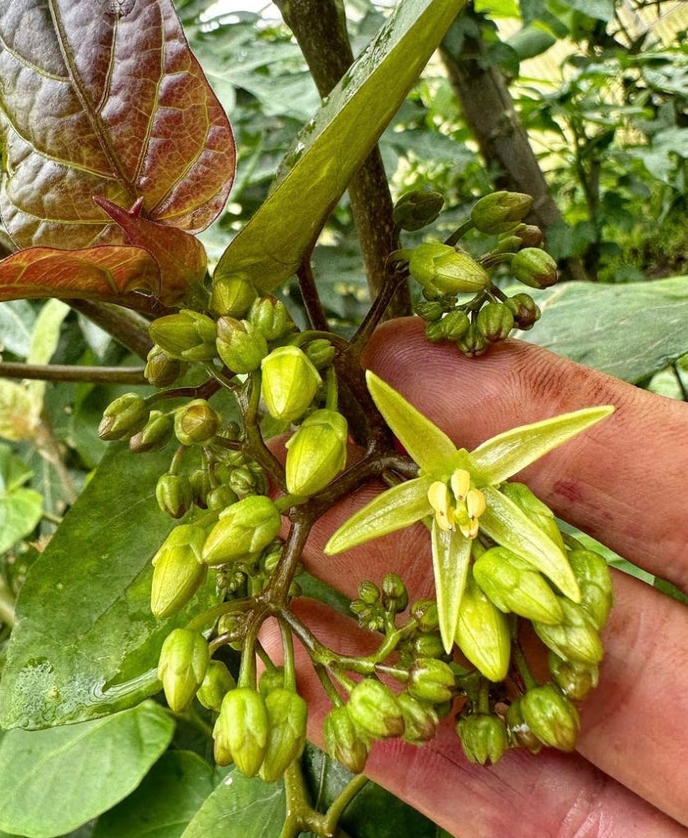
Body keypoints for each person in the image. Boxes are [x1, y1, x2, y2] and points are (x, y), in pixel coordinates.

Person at [290, 317, 688, 837]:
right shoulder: (453, 508)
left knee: (541, 583)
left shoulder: (477, 503)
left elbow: (546, 441)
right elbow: (369, 530)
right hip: (460, 502)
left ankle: (558, 594)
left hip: (486, 500)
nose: (456, 507)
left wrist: (553, 572)